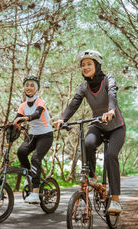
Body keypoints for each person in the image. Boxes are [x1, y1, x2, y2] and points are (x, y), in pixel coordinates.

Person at [53, 50, 126, 214]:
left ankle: (115, 200)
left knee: (110, 156)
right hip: (98, 125)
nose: (85, 67)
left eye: (89, 64)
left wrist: (111, 110)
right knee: (88, 143)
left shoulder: (109, 79)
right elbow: (74, 103)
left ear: (97, 65)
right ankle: (92, 178)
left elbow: (112, 94)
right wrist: (63, 119)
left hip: (116, 127)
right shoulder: (84, 87)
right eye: (83, 65)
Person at [13, 75, 53, 204]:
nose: (29, 87)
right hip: (33, 135)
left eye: (32, 85)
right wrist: (6, 125)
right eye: (27, 85)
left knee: (35, 158)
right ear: (24, 88)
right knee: (21, 152)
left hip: (46, 135)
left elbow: (36, 115)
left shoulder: (40, 102)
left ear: (36, 88)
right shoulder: (22, 105)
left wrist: (25, 119)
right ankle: (30, 174)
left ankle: (35, 193)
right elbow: (16, 119)